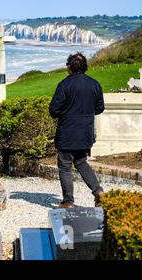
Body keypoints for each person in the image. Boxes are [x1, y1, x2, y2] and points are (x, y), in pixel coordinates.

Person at [49, 52, 105, 209]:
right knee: (81, 162)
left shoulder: (64, 85)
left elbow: (54, 110)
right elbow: (100, 108)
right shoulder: (94, 84)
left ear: (68, 67)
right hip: (85, 132)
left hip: (67, 131)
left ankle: (68, 201)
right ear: (85, 67)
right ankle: (98, 190)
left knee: (65, 165)